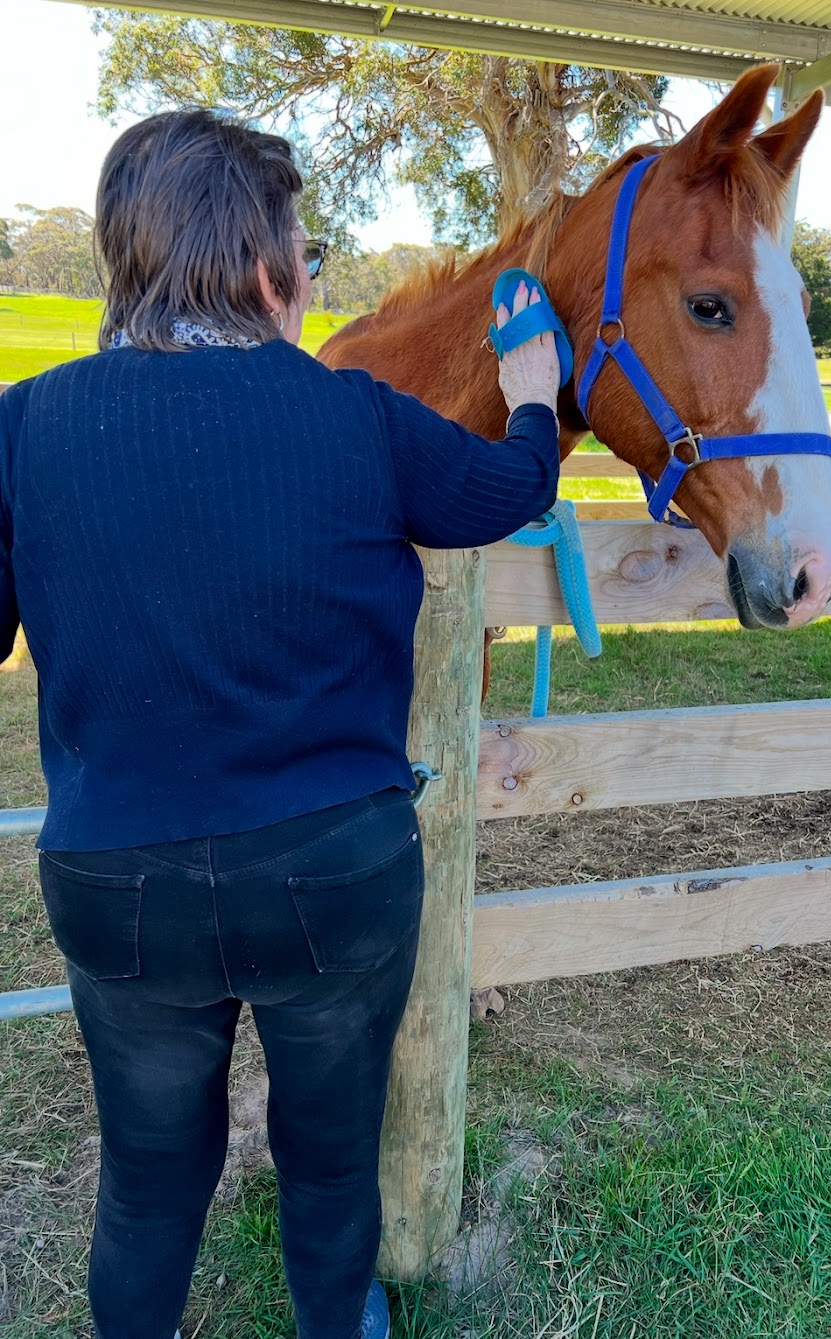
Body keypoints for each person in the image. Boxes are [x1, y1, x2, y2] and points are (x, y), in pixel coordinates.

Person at [0, 108, 561, 1339]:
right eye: (303, 251)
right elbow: (513, 486)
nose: (310, 275)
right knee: (326, 1159)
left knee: (145, 1192)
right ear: (265, 270)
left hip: (118, 877)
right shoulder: (356, 414)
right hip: (332, 871)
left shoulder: (22, 425)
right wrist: (532, 395)